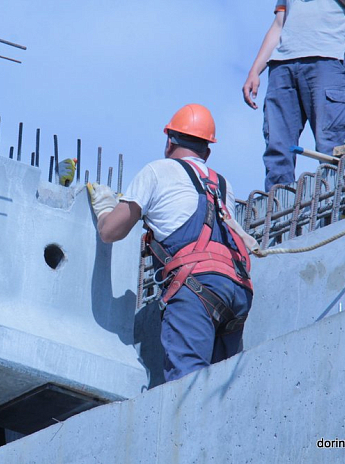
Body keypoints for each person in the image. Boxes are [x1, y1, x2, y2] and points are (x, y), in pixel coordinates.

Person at [88, 104, 259, 382]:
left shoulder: (157, 171)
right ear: (208, 151)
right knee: (221, 390)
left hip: (195, 289)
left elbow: (110, 232)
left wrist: (105, 208)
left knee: (188, 386)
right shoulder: (223, 184)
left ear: (169, 141)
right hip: (236, 292)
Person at [242, 0, 345, 192]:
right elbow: (279, 23)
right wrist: (255, 70)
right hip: (282, 65)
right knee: (278, 150)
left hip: (327, 60)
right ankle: (279, 213)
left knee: (331, 147)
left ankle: (335, 207)